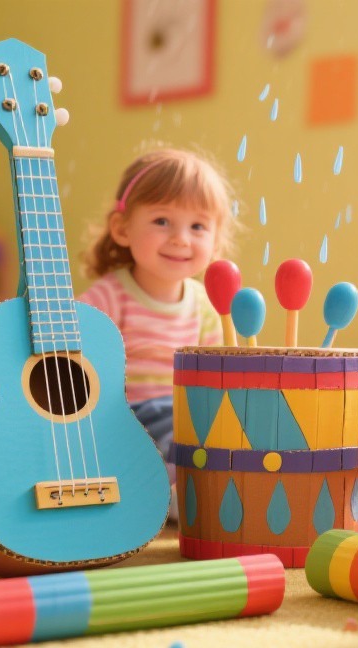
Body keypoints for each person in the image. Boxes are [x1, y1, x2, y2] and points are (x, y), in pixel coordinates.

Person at [78, 147, 242, 486]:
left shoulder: (206, 306)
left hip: (185, 420)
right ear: (122, 229)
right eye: (162, 221)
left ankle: (191, 486)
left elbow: (216, 381)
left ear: (216, 242)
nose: (180, 239)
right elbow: (70, 364)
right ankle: (174, 491)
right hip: (122, 420)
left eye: (198, 226)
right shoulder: (109, 297)